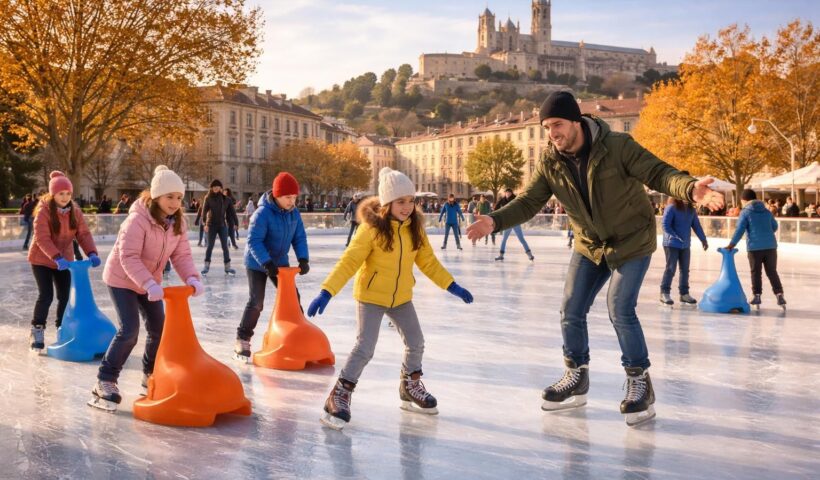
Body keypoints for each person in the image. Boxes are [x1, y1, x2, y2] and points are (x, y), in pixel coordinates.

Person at [466, 90, 724, 426]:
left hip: (631, 241)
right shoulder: (550, 161)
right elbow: (529, 202)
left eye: (556, 124)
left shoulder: (617, 146)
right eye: (545, 127)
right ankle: (576, 375)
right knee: (571, 308)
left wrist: (690, 188)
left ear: (576, 121)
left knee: (619, 306)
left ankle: (639, 382)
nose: (551, 133)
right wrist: (494, 220)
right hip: (590, 244)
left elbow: (659, 173)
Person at [307, 167, 474, 430]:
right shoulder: (371, 228)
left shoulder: (414, 228)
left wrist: (451, 285)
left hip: (401, 297)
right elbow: (349, 262)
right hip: (371, 295)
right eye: (400, 201)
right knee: (365, 347)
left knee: (416, 342)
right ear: (388, 203)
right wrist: (327, 291)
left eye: (411, 201)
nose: (407, 207)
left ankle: (410, 385)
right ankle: (339, 394)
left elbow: (428, 262)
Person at [88, 166, 203, 411]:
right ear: (155, 197)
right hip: (121, 279)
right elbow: (128, 256)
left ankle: (150, 375)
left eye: (179, 197)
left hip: (149, 283)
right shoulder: (137, 220)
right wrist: (149, 283)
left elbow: (181, 255)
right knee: (130, 330)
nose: (175, 203)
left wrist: (192, 278)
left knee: (159, 330)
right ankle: (105, 381)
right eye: (169, 197)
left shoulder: (177, 223)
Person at [233, 172, 309, 362]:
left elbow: (299, 237)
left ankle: (298, 333)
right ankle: (243, 338)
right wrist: (266, 262)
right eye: (287, 197)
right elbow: (254, 240)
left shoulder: (294, 213)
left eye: (294, 197)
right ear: (276, 195)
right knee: (256, 301)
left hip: (280, 260)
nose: (292, 201)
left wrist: (303, 258)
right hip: (257, 262)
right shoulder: (262, 213)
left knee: (293, 296)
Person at [27, 172, 99, 353]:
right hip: (42, 259)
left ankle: (62, 329)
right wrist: (55, 256)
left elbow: (83, 234)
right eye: (61, 194)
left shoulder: (75, 211)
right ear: (53, 194)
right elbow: (42, 238)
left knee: (65, 296)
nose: (65, 197)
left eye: (68, 193)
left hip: (64, 261)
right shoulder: (44, 212)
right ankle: (37, 329)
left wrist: (91, 252)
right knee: (46, 295)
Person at [726, 189, 786, 309]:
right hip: (770, 247)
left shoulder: (745, 212)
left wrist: (732, 244)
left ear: (744, 200)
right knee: (772, 271)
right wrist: (766, 233)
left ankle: (757, 296)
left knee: (756, 272)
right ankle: (779, 295)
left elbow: (739, 230)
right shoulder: (766, 211)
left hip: (755, 247)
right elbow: (774, 226)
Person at [659, 191, 708, 306]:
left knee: (685, 270)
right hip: (671, 244)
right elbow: (665, 224)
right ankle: (664, 292)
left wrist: (703, 239)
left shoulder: (691, 210)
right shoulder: (671, 207)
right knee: (671, 268)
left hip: (685, 244)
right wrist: (675, 236)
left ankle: (684, 293)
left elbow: (696, 225)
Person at [201, 179, 237, 276]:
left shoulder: (226, 199)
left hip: (222, 225)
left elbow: (232, 212)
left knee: (225, 247)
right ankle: (206, 265)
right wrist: (205, 224)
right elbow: (204, 212)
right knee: (210, 246)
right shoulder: (208, 198)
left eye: (217, 186)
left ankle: (227, 267)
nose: (216, 188)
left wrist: (236, 223)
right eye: (214, 187)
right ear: (211, 188)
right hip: (211, 225)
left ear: (221, 188)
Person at [494, 189, 534, 261]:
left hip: (515, 222)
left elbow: (521, 207)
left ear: (511, 193)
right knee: (504, 239)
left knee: (521, 238)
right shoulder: (503, 200)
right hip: (507, 222)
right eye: (507, 193)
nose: (508, 194)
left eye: (509, 193)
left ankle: (530, 255)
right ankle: (501, 255)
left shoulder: (515, 199)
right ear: (505, 193)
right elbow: (496, 207)